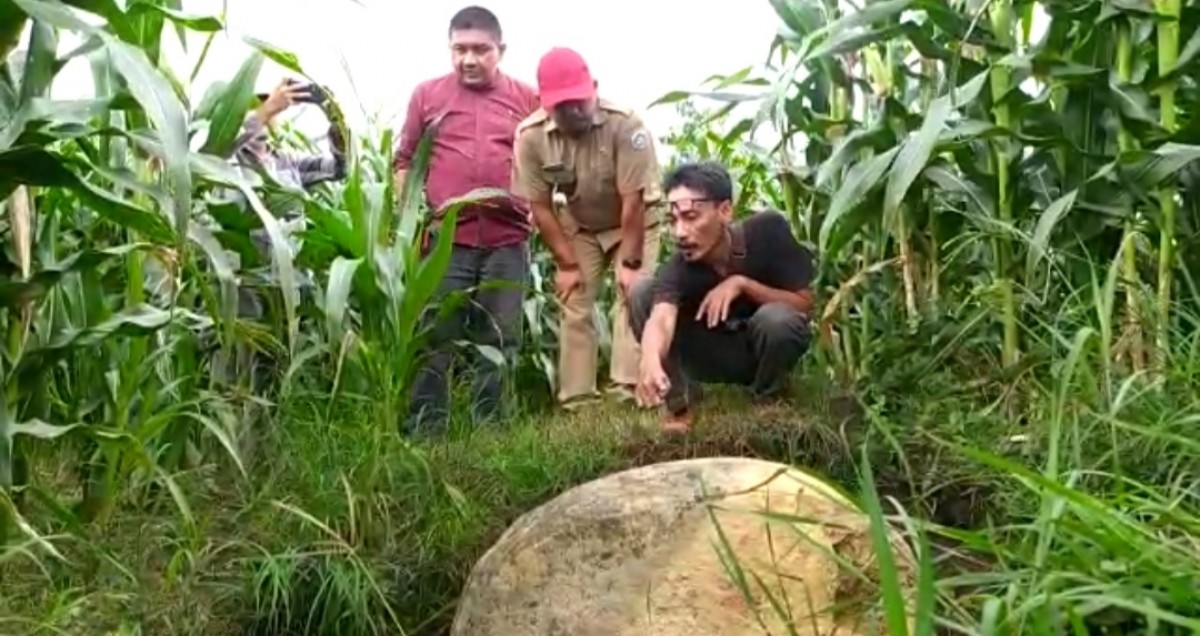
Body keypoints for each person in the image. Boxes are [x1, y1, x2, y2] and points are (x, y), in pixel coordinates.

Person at [394, 6, 540, 433]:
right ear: (449, 49)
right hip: (445, 242)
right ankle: (426, 429)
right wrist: (410, 217)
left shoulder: (526, 98)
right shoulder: (427, 95)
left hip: (507, 240)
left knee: (499, 338)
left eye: (480, 50)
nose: (469, 59)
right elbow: (404, 160)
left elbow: (547, 159)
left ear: (501, 50)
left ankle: (490, 431)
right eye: (460, 49)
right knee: (435, 336)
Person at [511, 47, 664, 411]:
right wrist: (566, 266)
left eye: (579, 100)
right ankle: (578, 399)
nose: (573, 111)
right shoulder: (530, 137)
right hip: (581, 227)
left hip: (635, 223)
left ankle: (627, 390)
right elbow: (541, 207)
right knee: (575, 302)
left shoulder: (625, 125)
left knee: (633, 296)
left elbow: (633, 201)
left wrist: (630, 264)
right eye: (562, 106)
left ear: (593, 87)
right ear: (544, 104)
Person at [629, 161, 815, 433]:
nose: (680, 232)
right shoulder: (680, 266)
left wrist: (743, 284)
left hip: (762, 350)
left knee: (777, 319)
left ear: (725, 210)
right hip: (712, 355)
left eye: (691, 217)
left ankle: (768, 401)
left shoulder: (768, 231)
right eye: (673, 220)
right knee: (642, 291)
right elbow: (661, 317)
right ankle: (681, 406)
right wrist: (650, 358)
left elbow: (806, 305)